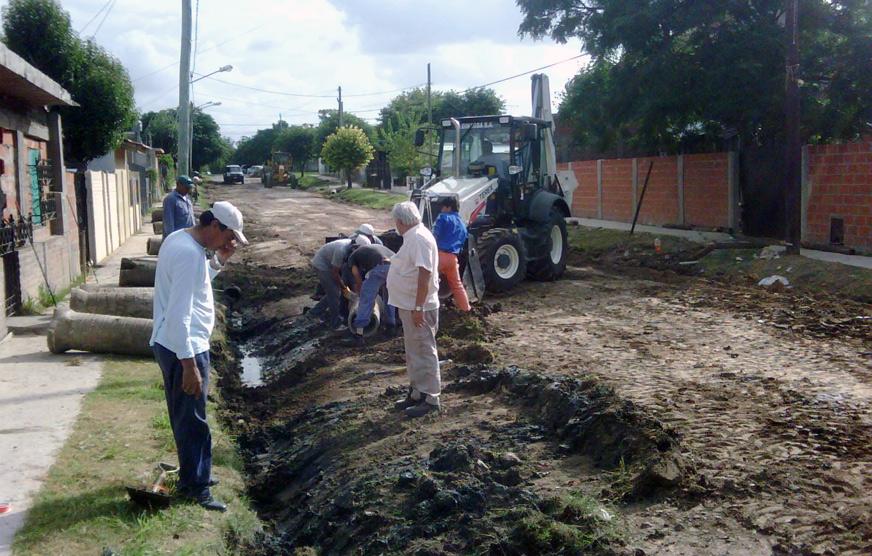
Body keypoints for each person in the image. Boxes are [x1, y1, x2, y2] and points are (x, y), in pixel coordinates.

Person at [150, 201, 248, 511]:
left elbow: (197, 287)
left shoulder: (181, 239)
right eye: (227, 236)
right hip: (184, 347)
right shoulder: (189, 254)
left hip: (176, 343)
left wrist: (219, 260)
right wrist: (190, 364)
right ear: (215, 226)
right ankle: (196, 489)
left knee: (188, 416)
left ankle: (197, 473)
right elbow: (180, 315)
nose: (228, 242)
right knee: (193, 421)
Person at [386, 201, 441, 418]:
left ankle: (431, 397)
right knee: (414, 351)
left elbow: (425, 274)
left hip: (419, 307)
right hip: (409, 305)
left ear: (400, 221)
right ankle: (417, 391)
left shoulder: (418, 238)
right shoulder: (413, 236)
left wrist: (418, 306)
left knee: (424, 350)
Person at [310, 234, 371, 329]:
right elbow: (335, 273)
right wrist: (344, 288)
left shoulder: (350, 248)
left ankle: (314, 312)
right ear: (355, 247)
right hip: (322, 265)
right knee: (335, 293)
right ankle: (335, 322)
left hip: (329, 264)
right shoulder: (341, 250)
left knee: (333, 292)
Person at [348, 243, 397, 338]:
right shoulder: (377, 247)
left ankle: (359, 333)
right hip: (396, 268)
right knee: (390, 297)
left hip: (380, 267)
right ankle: (391, 327)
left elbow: (356, 274)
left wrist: (360, 290)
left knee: (366, 299)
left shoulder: (353, 255)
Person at [432, 197, 471, 312]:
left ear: (449, 207)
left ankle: (427, 309)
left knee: (428, 282)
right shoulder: (463, 225)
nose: (442, 209)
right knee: (457, 286)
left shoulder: (443, 217)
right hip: (453, 258)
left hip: (439, 256)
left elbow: (433, 237)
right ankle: (466, 310)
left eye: (443, 207)